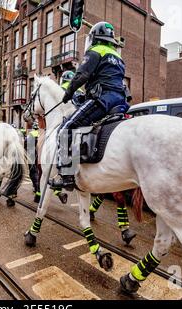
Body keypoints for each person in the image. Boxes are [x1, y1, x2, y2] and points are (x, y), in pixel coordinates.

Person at [49, 21, 130, 191]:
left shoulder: (95, 51)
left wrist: (68, 93)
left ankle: (65, 175)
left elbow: (81, 76)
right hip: (120, 103)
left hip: (101, 100)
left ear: (94, 38)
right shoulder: (118, 57)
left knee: (66, 129)